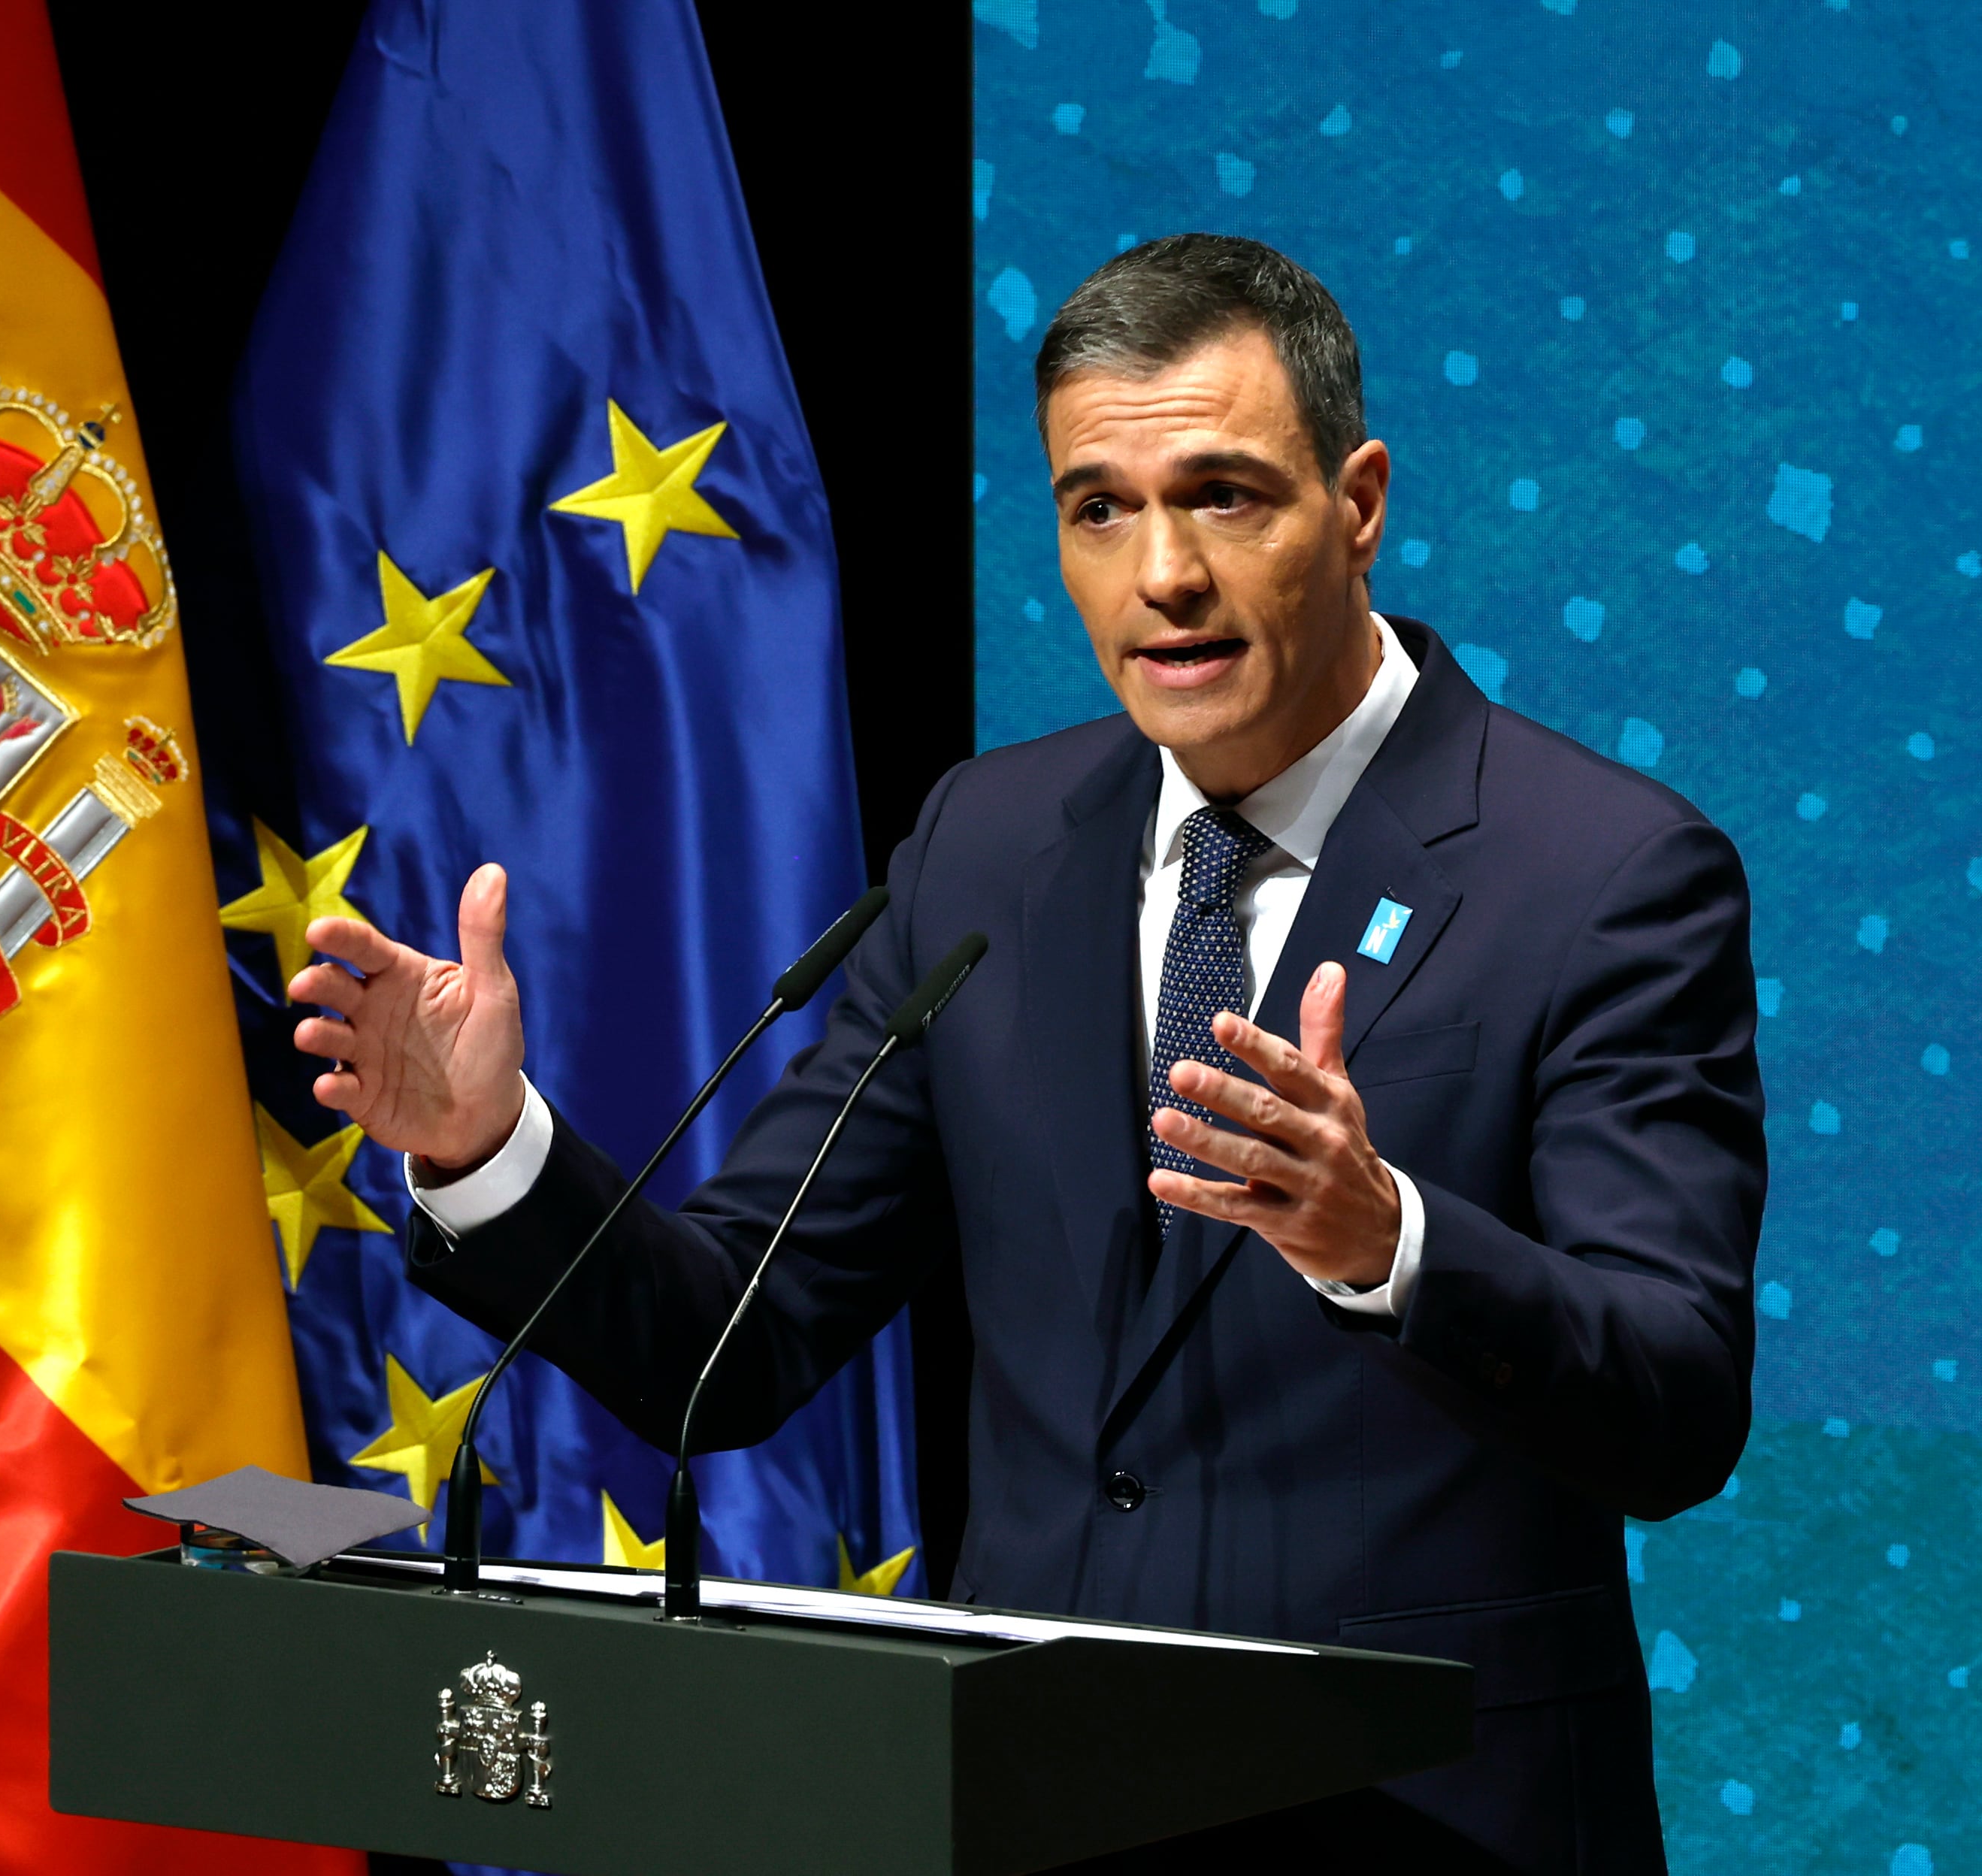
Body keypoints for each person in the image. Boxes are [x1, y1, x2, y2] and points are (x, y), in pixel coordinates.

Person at [291, 234, 1764, 1874]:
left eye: (1224, 495)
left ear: (1358, 502)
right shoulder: (987, 846)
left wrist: (1391, 1245)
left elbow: (1677, 1408)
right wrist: (488, 1148)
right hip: (1031, 1813)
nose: (1163, 577)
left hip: (1430, 1824)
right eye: (1100, 507)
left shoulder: (1602, 874)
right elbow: (737, 1337)